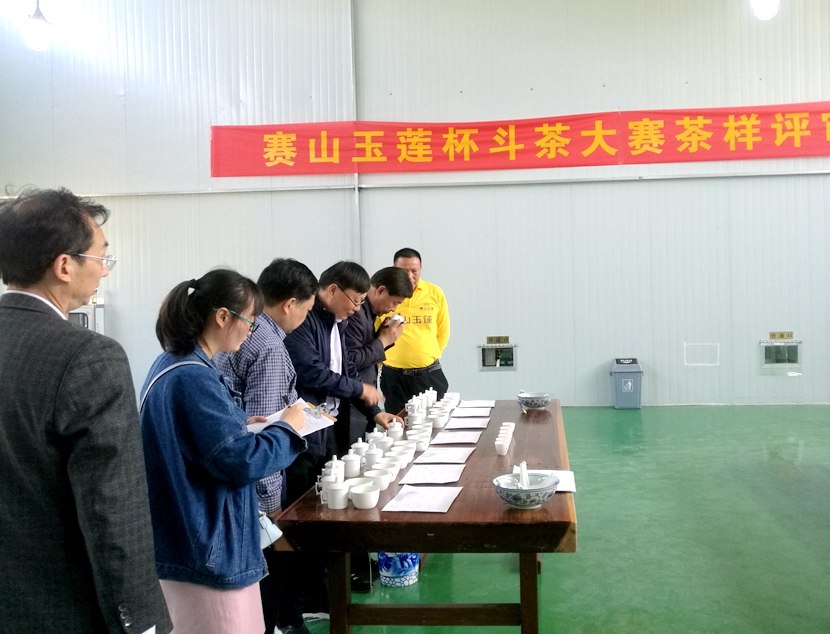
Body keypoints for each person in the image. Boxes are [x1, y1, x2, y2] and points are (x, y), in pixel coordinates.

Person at [0, 188, 172, 634]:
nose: (104, 271)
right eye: (101, 258)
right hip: (60, 608)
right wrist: (142, 622)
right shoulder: (88, 357)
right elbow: (112, 511)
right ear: (64, 266)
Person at [139, 269, 307, 634]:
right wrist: (288, 428)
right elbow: (241, 461)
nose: (252, 331)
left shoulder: (177, 362)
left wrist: (241, 421)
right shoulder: (193, 377)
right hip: (206, 546)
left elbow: (199, 437)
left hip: (190, 538)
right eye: (250, 320)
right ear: (222, 317)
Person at [213, 258, 317, 634]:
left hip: (228, 482)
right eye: (306, 310)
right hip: (255, 490)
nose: (305, 319)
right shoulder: (269, 346)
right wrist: (272, 505)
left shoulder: (237, 335)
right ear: (289, 304)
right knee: (266, 586)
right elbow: (265, 437)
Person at [380, 248, 451, 416]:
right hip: (393, 377)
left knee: (434, 423)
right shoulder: (385, 295)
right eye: (404, 271)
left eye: (414, 271)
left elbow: (443, 332)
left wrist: (426, 356)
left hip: (428, 375)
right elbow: (374, 334)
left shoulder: (434, 293)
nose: (409, 276)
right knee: (396, 424)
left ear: (421, 269)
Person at [346, 266, 413, 436]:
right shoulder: (355, 314)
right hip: (351, 407)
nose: (393, 309)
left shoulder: (369, 314)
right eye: (395, 302)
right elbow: (350, 361)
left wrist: (381, 335)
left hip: (363, 405)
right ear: (380, 290)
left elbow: (363, 351)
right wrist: (383, 341)